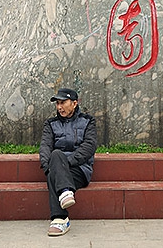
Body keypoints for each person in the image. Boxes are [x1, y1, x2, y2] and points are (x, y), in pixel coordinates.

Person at [39, 87, 97, 236]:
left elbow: (89, 146)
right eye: (57, 103)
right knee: (56, 156)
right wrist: (49, 167)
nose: (59, 107)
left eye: (63, 103)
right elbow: (45, 147)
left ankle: (60, 218)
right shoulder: (50, 124)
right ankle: (65, 196)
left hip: (79, 169)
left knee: (56, 166)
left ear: (74, 103)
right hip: (57, 166)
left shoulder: (88, 121)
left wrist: (65, 163)